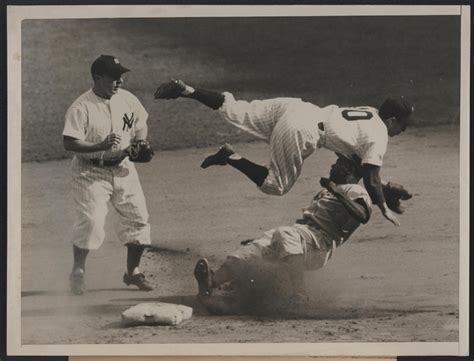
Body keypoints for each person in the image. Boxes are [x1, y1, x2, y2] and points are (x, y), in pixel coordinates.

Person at [154, 79, 415, 226]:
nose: (403, 130)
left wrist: (383, 189)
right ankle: (230, 157)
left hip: (294, 108)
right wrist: (383, 206)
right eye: (402, 125)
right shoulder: (379, 135)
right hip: (302, 130)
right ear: (391, 120)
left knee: (235, 109)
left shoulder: (369, 111)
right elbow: (369, 177)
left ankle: (187, 90)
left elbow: (358, 167)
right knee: (275, 185)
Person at [192, 155, 411, 314]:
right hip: (302, 236)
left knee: (285, 234)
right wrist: (270, 242)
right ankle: (213, 282)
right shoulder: (329, 190)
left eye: (339, 164)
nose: (334, 165)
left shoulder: (357, 190)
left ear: (351, 172)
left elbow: (363, 215)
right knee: (252, 249)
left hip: (320, 243)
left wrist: (336, 191)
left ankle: (300, 295)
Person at [63, 55, 154, 295]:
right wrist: (100, 145)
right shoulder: (81, 107)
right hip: (90, 172)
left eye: (121, 76)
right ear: (98, 78)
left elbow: (141, 123)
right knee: (91, 222)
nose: (120, 81)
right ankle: (78, 272)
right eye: (115, 77)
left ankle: (133, 273)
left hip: (124, 169)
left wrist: (141, 140)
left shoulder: (127, 99)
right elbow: (69, 143)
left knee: (139, 220)